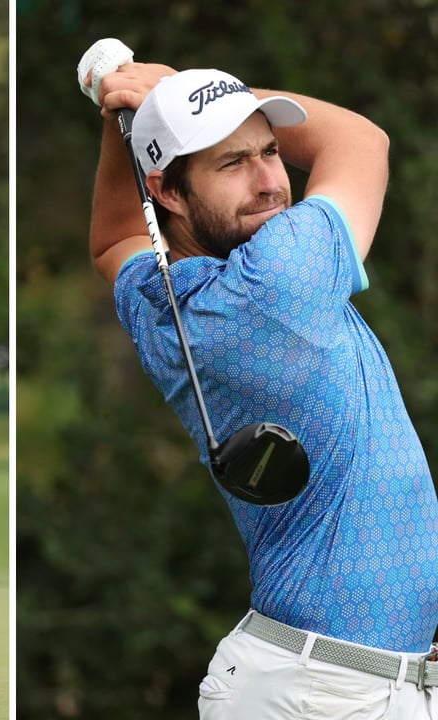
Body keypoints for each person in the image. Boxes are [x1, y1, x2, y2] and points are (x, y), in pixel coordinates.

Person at [88, 59, 438, 718]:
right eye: (232, 163)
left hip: (327, 680)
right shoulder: (277, 280)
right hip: (325, 692)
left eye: (271, 151)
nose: (271, 182)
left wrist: (124, 124)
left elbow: (115, 239)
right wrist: (179, 91)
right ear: (166, 192)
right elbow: (362, 140)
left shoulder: (157, 297)